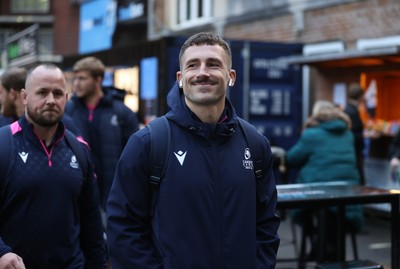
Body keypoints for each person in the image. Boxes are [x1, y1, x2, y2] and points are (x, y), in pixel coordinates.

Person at [106, 32, 281, 268]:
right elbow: (123, 229)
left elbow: (267, 222)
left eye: (213, 64)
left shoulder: (254, 143)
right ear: (180, 77)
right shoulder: (148, 143)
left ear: (231, 77)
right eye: (192, 65)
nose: (202, 73)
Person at [0, 64, 107, 268]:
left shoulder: (79, 150)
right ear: (24, 97)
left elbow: (91, 223)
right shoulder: (4, 144)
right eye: (42, 92)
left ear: (66, 99)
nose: (50, 100)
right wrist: (2, 253)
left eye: (57, 93)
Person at [285, 100, 364, 261]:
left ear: (317, 115)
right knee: (332, 212)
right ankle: (327, 248)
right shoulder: (347, 134)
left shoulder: (311, 134)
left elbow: (292, 158)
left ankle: (317, 244)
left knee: (307, 209)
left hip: (320, 196)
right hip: (349, 194)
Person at [65, 56, 139, 211]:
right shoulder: (68, 112)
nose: (76, 84)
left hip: (114, 195)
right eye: (75, 79)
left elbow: (135, 157)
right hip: (78, 195)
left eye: (82, 78)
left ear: (98, 79)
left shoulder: (121, 112)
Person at [344, 83, 366, 185]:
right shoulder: (352, 111)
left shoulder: (349, 109)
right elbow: (353, 132)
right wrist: (364, 135)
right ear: (360, 96)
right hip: (355, 151)